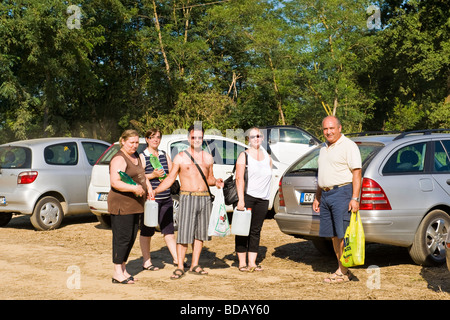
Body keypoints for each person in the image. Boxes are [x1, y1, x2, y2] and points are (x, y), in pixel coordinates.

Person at [154, 124, 224, 280]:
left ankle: (195, 265)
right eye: (194, 137)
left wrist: (217, 182)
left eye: (200, 137)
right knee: (184, 234)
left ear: (203, 138)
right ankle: (180, 266)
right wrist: (156, 190)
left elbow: (209, 178)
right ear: (188, 138)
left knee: (200, 234)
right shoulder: (180, 157)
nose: (197, 140)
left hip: (205, 198)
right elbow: (170, 178)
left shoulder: (208, 157)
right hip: (187, 196)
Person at [312, 116, 362, 283]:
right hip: (325, 195)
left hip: (342, 193)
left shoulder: (349, 146)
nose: (329, 132)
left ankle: (343, 272)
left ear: (340, 128)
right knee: (333, 236)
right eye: (325, 129)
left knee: (342, 234)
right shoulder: (323, 148)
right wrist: (318, 196)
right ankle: (341, 269)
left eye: (332, 128)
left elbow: (357, 173)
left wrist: (355, 198)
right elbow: (322, 174)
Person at [107, 129, 153, 284]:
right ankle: (117, 272)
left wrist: (149, 188)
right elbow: (115, 182)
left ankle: (124, 270)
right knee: (122, 238)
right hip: (122, 204)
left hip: (135, 205)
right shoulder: (119, 159)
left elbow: (142, 175)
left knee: (131, 237)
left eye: (136, 142)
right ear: (123, 141)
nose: (134, 145)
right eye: (131, 142)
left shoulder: (136, 156)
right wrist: (134, 188)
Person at [234, 127, 272, 272]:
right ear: (248, 139)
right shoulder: (244, 155)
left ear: (262, 138)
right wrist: (241, 200)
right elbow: (239, 178)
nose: (256, 139)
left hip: (263, 199)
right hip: (248, 197)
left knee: (256, 230)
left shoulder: (267, 156)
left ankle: (252, 263)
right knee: (243, 230)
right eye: (252, 137)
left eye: (258, 136)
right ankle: (242, 263)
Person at [139, 128, 177, 270]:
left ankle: (176, 259)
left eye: (158, 137)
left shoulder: (163, 154)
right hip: (151, 200)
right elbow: (139, 176)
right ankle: (146, 261)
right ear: (147, 139)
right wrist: (153, 175)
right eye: (152, 137)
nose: (155, 140)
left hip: (166, 197)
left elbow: (171, 173)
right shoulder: (143, 156)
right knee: (147, 231)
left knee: (169, 231)